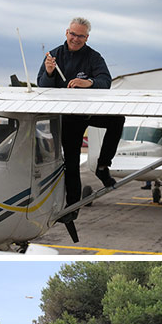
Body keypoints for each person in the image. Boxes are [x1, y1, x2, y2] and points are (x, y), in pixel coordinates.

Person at [37, 17, 124, 212]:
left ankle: (102, 166)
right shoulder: (53, 56)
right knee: (72, 162)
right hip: (68, 118)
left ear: (87, 38)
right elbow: (41, 87)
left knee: (117, 119)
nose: (76, 39)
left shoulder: (93, 57)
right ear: (66, 33)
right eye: (73, 34)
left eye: (81, 36)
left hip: (88, 112)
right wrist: (49, 73)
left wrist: (90, 82)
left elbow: (106, 81)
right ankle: (73, 206)